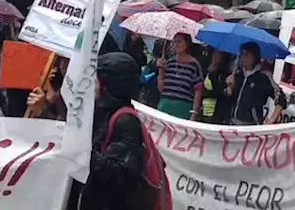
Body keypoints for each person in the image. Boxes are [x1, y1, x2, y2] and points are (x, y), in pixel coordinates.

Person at [82, 52, 171, 210]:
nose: (93, 84)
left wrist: (83, 152)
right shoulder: (107, 112)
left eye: (98, 79)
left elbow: (122, 175)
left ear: (109, 84)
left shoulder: (126, 121)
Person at [229, 41, 285, 125]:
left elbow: (281, 98)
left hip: (251, 126)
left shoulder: (264, 76)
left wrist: (272, 119)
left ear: (255, 55)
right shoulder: (237, 74)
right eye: (242, 54)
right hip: (232, 124)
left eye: (247, 54)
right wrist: (229, 87)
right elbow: (228, 97)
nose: (244, 57)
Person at [157, 33, 204, 119]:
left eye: (179, 42)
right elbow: (161, 89)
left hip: (183, 109)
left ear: (187, 44)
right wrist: (161, 70)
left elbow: (198, 91)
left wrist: (194, 113)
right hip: (164, 107)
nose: (175, 45)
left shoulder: (194, 65)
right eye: (174, 42)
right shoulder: (169, 63)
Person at [199, 50, 233, 124]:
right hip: (202, 108)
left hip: (215, 109)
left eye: (219, 54)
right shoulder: (204, 67)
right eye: (215, 53)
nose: (216, 55)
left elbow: (219, 90)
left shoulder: (224, 73)